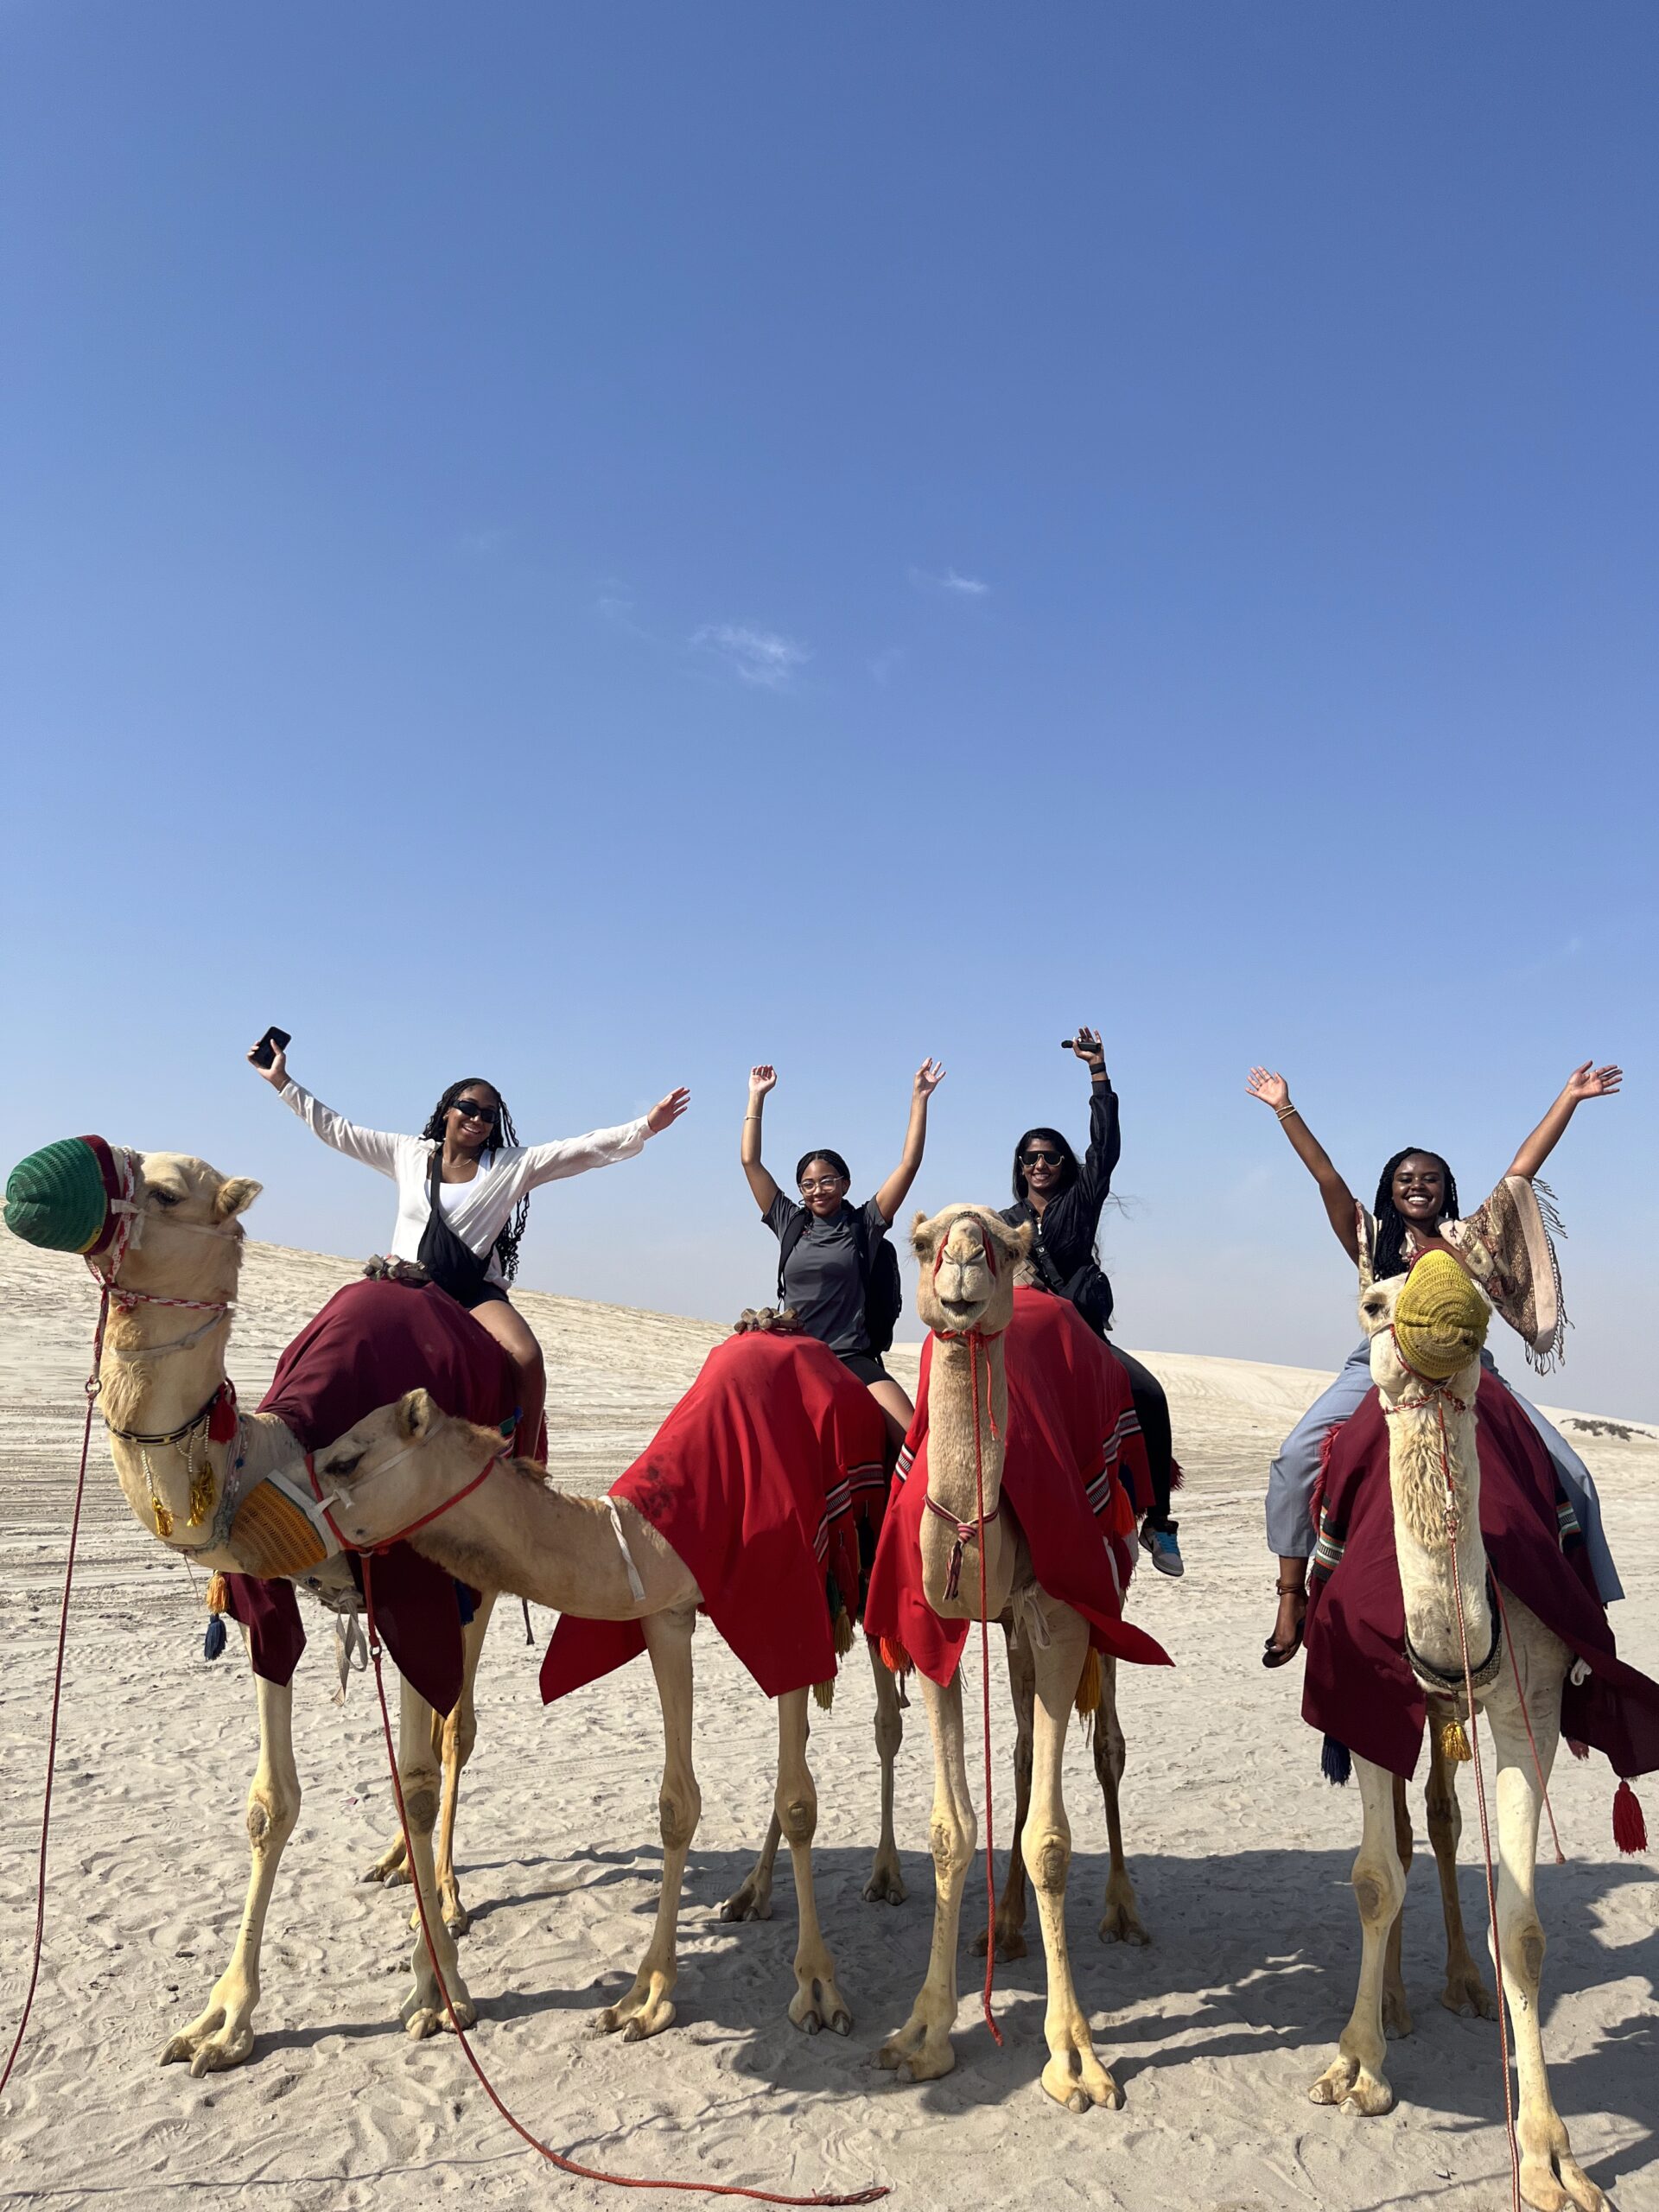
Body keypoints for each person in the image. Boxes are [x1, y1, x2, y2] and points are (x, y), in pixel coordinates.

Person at [1247, 1059, 1624, 1668]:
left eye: (1430, 1178)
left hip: (1467, 1367)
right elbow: (1326, 1176)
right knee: (1294, 1459)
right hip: (1382, 1362)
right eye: (1405, 1178)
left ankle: (1588, 1610)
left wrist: (1570, 1097)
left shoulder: (1469, 1239)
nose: (1417, 1185)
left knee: (1573, 1474)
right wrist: (1284, 1107)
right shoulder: (1370, 1238)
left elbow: (1521, 1171)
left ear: (1447, 1188)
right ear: (1390, 1188)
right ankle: (1291, 1596)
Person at [250, 1039, 690, 1459]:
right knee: (347, 1330)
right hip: (408, 1286)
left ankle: (524, 1463)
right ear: (448, 1110)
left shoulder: (510, 1166)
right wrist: (283, 1082)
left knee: (527, 1355)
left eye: (489, 1115)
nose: (478, 1119)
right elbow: (338, 1130)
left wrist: (647, 1126)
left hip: (471, 1291)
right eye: (469, 1108)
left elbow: (581, 1149)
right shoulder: (407, 1153)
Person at [998, 1026, 1185, 1577]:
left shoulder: (1080, 1203)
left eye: (1050, 1157)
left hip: (1084, 1339)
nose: (1039, 1165)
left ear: (1064, 1163)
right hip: (1025, 1346)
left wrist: (1097, 1074)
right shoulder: (1001, 1223)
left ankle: (1159, 1522)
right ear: (1019, 1165)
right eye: (1030, 1157)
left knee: (1149, 1394)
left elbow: (1105, 1150)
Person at [740, 1058, 944, 1447]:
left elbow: (909, 1164)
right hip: (796, 1352)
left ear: (845, 1184)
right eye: (808, 1184)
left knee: (913, 1440)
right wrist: (756, 1097)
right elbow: (751, 1161)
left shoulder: (866, 1224)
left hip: (850, 1357)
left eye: (827, 1181)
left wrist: (919, 1099)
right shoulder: (788, 1221)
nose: (817, 1190)